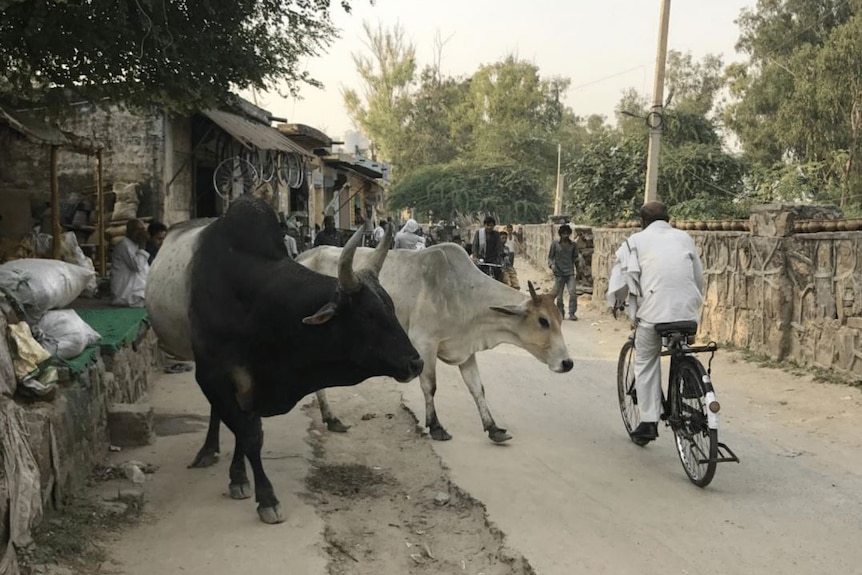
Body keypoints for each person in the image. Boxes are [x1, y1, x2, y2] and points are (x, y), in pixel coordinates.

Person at [607, 201, 704, 443]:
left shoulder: (635, 242)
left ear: (642, 222)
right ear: (668, 218)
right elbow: (697, 276)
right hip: (688, 310)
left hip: (654, 312)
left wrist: (618, 303)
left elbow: (620, 280)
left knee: (646, 361)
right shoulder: (684, 238)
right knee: (682, 339)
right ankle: (688, 377)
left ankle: (649, 421)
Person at [110, 219, 150, 308]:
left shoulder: (135, 245)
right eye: (138, 229)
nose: (141, 233)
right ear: (129, 231)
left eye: (143, 229)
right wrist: (142, 247)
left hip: (134, 289)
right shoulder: (124, 245)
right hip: (125, 292)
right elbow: (137, 266)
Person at [547, 224, 579, 320]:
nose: (565, 235)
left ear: (569, 234)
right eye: (563, 233)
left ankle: (572, 313)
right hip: (559, 273)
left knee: (573, 293)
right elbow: (550, 257)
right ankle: (560, 313)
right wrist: (552, 265)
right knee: (559, 296)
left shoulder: (573, 245)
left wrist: (578, 269)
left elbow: (575, 258)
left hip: (569, 272)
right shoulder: (555, 244)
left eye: (567, 233)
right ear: (560, 234)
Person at [471, 216, 504, 281]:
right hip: (482, 258)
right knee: (478, 271)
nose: (489, 227)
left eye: (491, 226)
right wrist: (475, 256)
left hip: (493, 259)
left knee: (498, 271)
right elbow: (475, 245)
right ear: (484, 225)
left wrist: (500, 257)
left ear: (494, 226)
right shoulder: (479, 233)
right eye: (487, 225)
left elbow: (499, 247)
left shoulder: (496, 234)